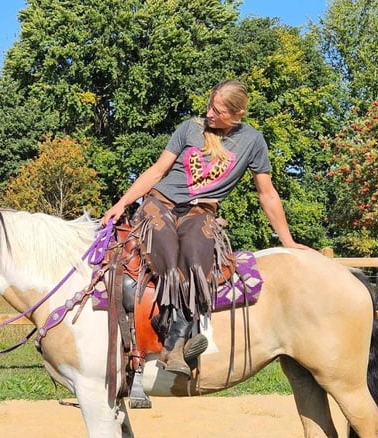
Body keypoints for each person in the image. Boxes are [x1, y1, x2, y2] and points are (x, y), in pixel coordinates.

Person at [101, 79, 311, 376]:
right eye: (210, 106)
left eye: (218, 110)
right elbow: (158, 170)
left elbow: (267, 193)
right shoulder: (189, 128)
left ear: (238, 114)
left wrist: (287, 240)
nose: (209, 113)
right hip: (159, 204)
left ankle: (174, 344)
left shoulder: (253, 141)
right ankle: (172, 338)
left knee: (197, 260)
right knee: (166, 257)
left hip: (201, 212)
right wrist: (122, 203)